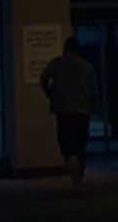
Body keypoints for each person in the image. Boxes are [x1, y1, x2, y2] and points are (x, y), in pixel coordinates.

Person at [40, 36, 98, 187]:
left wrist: (50, 93)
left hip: (63, 110)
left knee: (67, 145)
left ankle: (74, 172)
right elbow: (93, 91)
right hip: (82, 111)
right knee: (80, 144)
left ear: (65, 49)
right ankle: (78, 173)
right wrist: (91, 107)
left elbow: (43, 79)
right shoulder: (87, 67)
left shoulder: (57, 64)